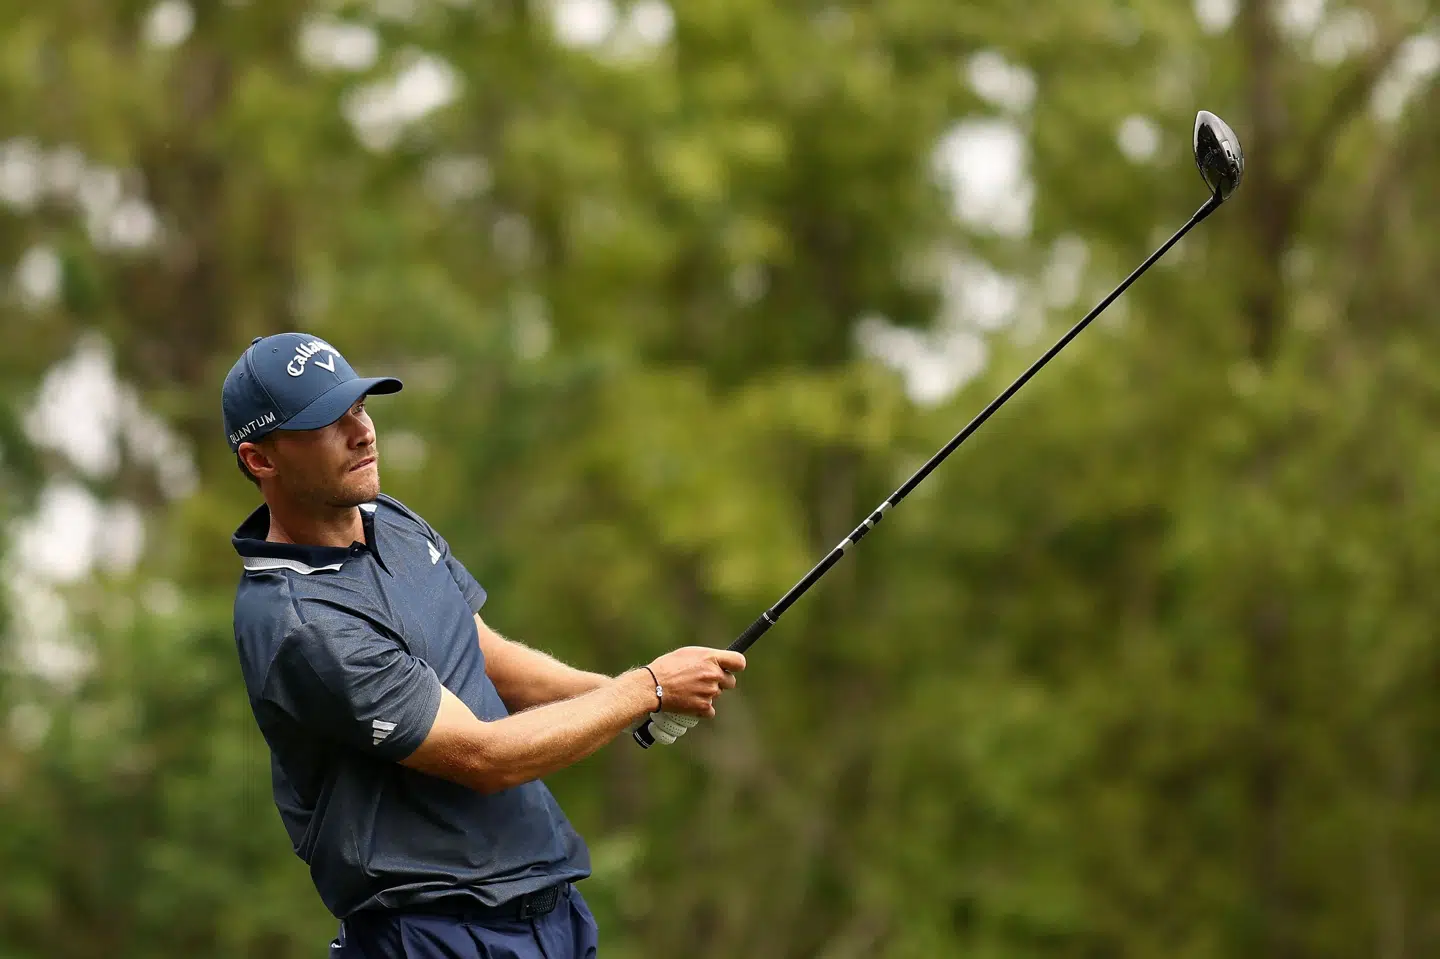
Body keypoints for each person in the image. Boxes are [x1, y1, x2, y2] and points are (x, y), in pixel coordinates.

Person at [222, 332, 745, 958]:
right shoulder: (300, 624)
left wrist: (627, 698)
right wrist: (646, 689)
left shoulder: (390, 521)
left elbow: (485, 657)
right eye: (326, 424)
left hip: (548, 910)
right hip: (434, 933)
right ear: (261, 460)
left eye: (358, 408)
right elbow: (483, 757)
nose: (361, 432)